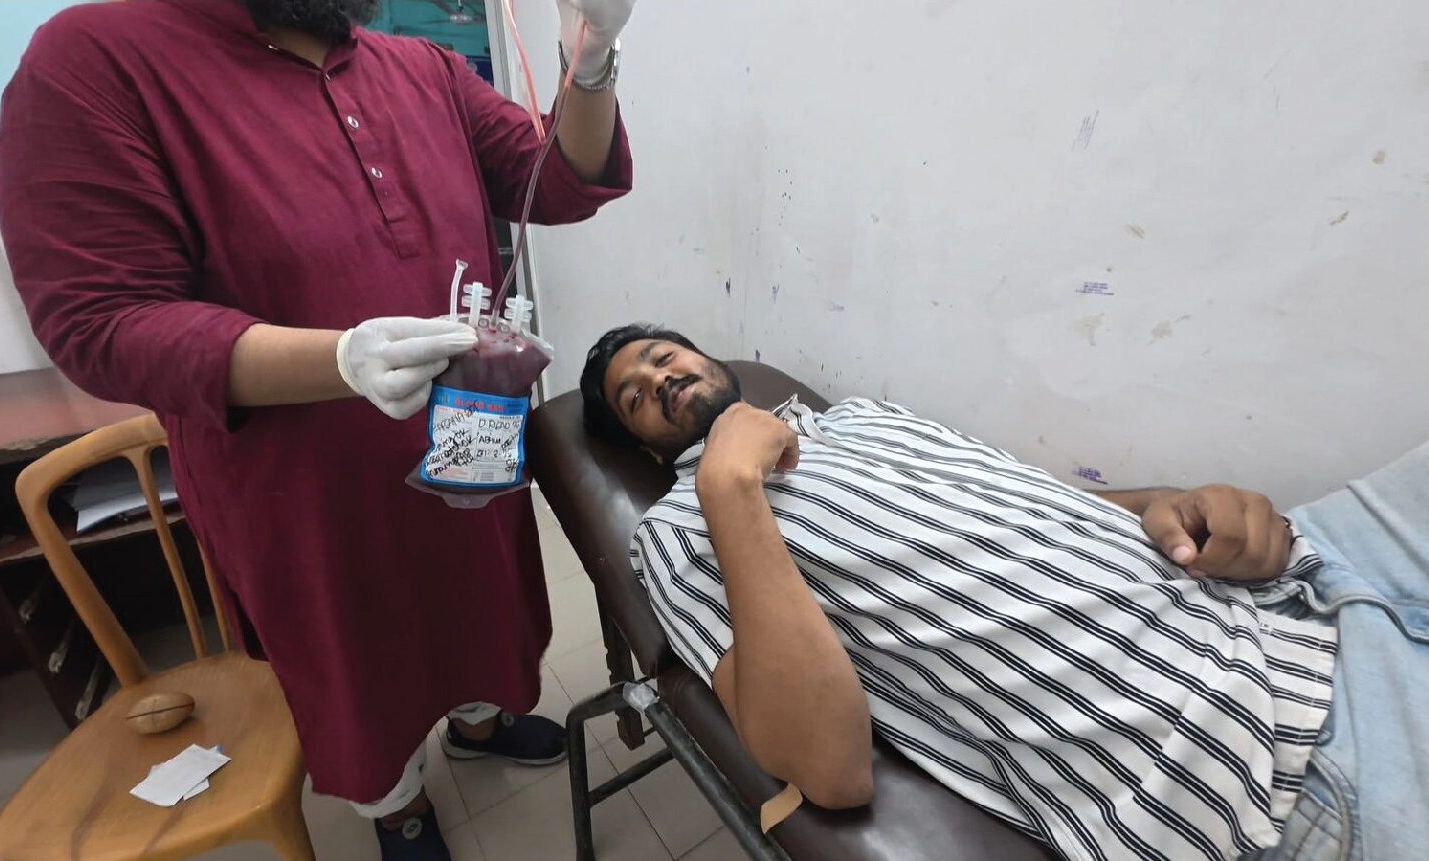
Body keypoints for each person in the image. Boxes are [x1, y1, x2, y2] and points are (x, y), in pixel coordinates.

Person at [0, 0, 636, 856]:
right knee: (356, 667)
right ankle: (398, 807)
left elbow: (553, 182)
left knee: (480, 604)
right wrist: (337, 360)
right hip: (302, 490)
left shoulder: (421, 68)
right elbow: (99, 319)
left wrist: (589, 63)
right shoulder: (94, 60)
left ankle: (479, 724)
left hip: (464, 442)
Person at [579, 323, 1429, 861]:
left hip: (1313, 579)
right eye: (635, 396)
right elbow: (828, 768)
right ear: (647, 450)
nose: (659, 378)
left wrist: (1167, 504)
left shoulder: (862, 416)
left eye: (662, 354)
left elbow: (1033, 497)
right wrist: (730, 484)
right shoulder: (680, 529)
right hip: (1255, 752)